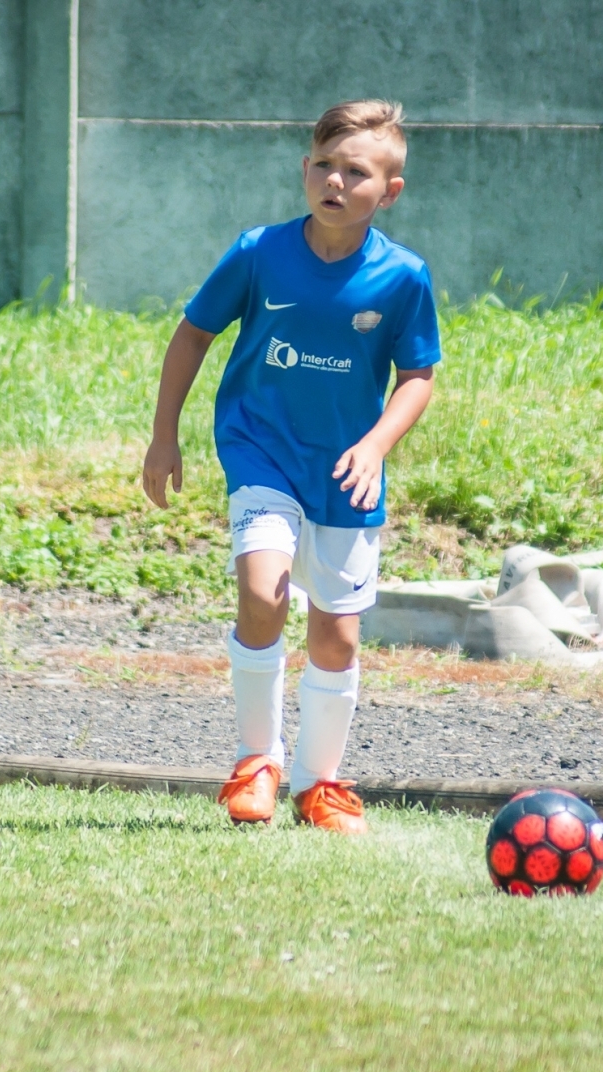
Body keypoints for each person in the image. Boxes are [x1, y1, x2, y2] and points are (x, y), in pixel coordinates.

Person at [141, 100, 440, 834]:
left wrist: (374, 446)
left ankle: (319, 784)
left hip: (343, 471)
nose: (334, 181)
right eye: (323, 165)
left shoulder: (403, 278)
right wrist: (163, 436)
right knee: (262, 591)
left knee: (336, 635)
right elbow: (193, 334)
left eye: (356, 172)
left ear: (390, 191)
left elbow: (419, 375)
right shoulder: (259, 252)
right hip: (260, 448)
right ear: (303, 170)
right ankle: (256, 764)